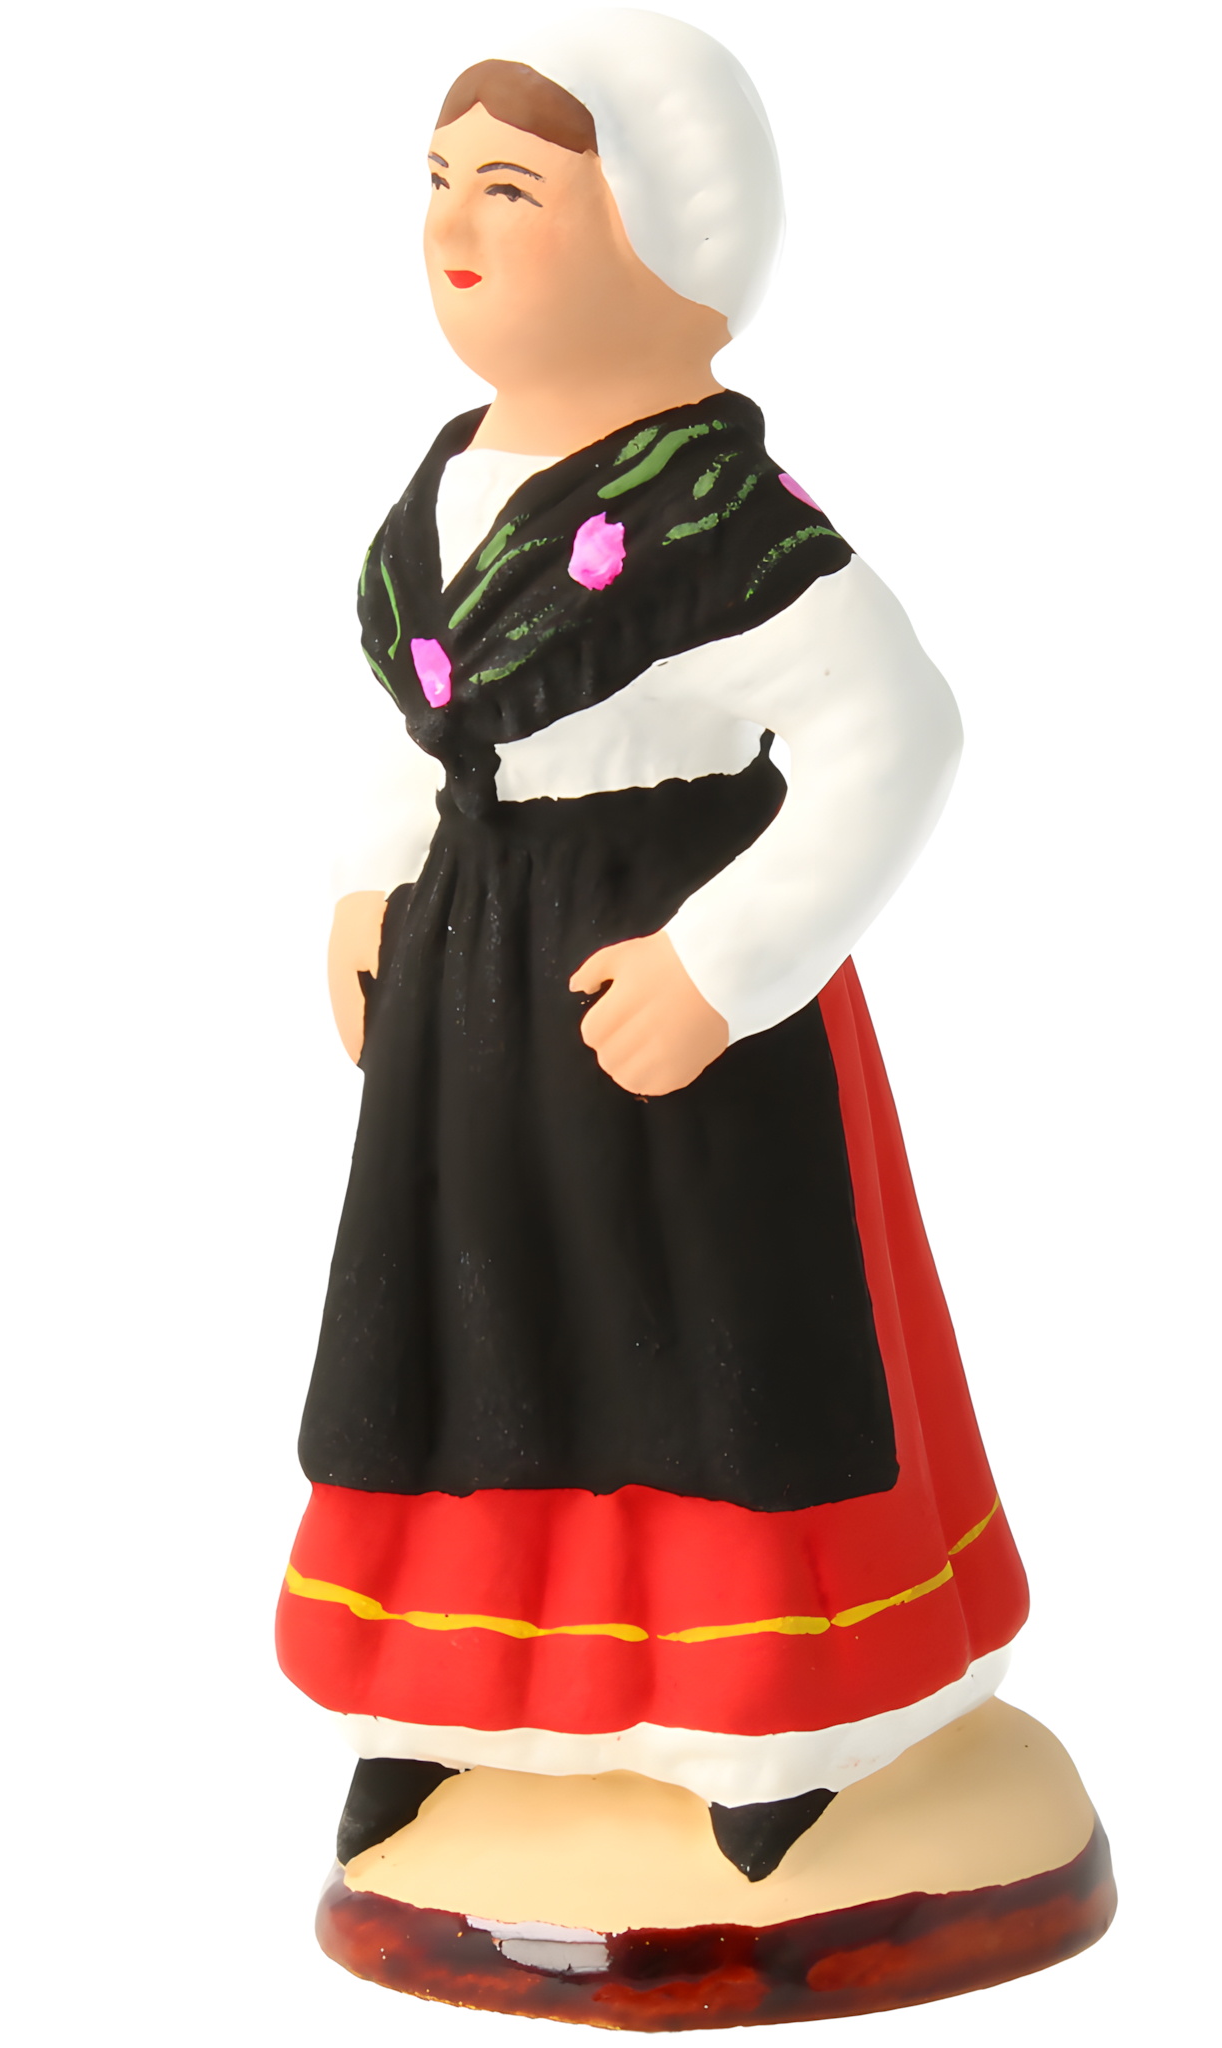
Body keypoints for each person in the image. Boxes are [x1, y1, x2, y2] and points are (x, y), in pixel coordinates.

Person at [277, 10, 1029, 1886]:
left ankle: (765, 1720)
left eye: (513, 188)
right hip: (472, 1001)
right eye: (439, 180)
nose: (452, 225)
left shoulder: (726, 522)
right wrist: (371, 883)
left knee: (710, 1345)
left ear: (669, 240)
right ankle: (445, 1708)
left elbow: (895, 735)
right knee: (458, 1332)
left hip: (661, 995)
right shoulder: (445, 490)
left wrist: (725, 962)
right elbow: (425, 728)